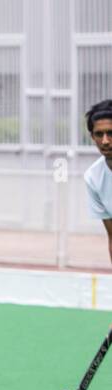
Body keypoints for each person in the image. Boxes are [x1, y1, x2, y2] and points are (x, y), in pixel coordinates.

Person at [84, 99, 112, 267]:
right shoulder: (93, 178)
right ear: (92, 137)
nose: (105, 141)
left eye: (111, 133)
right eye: (99, 134)